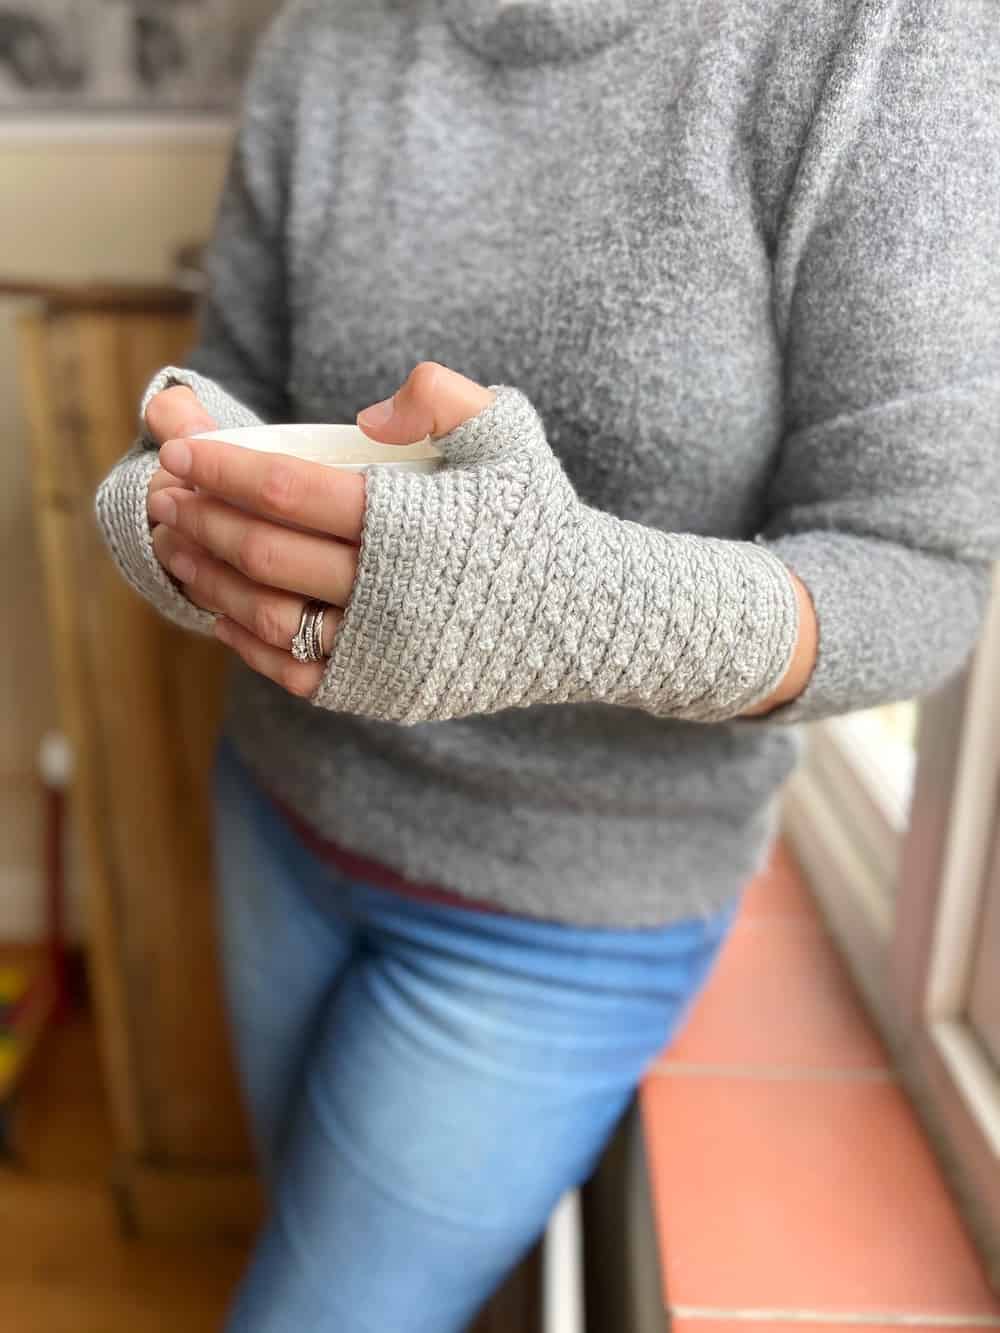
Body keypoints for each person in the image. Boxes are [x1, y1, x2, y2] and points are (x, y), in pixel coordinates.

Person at [95, 1, 999, 1329]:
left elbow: (920, 575)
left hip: (566, 914)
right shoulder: (324, 39)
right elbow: (224, 376)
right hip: (282, 816)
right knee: (305, 1224)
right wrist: (176, 510)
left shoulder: (883, 41)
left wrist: (573, 605)